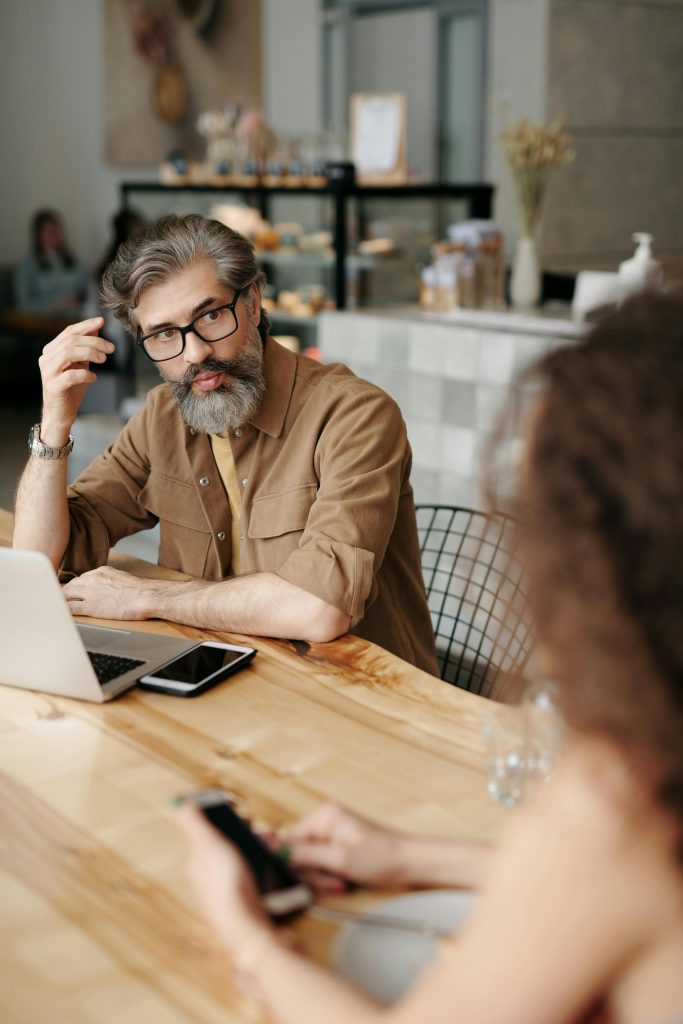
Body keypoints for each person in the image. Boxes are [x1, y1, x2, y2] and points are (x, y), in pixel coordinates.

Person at [176, 292, 683, 1023]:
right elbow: (598, 893)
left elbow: (596, 873)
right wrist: (412, 859)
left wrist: (243, 933)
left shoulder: (621, 805)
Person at [13, 213, 437, 672]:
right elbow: (38, 560)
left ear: (253, 303)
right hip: (219, 675)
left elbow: (321, 607)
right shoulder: (163, 415)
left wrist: (149, 596)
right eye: (164, 334)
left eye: (211, 316)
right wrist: (55, 421)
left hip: (363, 698)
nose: (194, 354)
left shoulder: (356, 415)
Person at [14, 209, 88, 315]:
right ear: (38, 235)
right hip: (45, 321)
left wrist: (78, 298)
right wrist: (55, 305)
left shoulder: (72, 259)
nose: (55, 234)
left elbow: (85, 287)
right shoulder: (28, 264)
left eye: (57, 230)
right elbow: (24, 303)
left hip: (75, 315)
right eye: (50, 231)